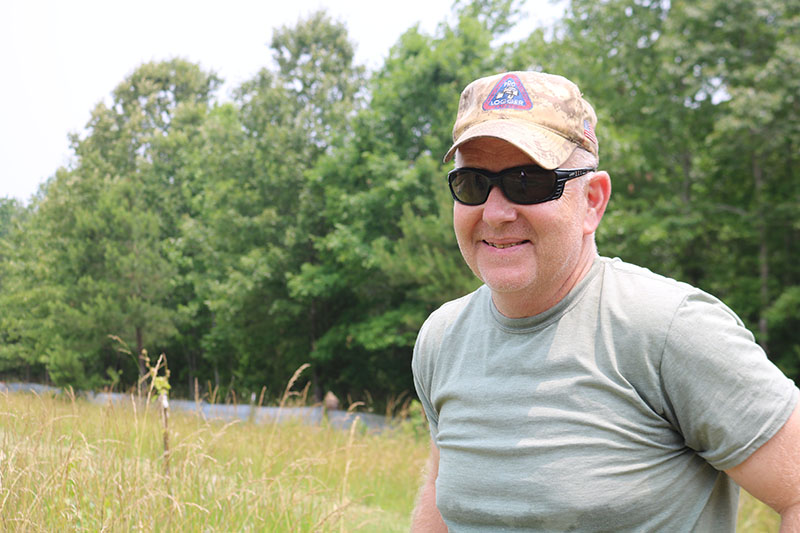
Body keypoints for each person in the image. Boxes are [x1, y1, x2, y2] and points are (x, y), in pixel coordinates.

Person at [410, 71, 800, 532]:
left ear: (592, 201)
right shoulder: (443, 337)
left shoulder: (670, 329)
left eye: (528, 182)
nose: (495, 213)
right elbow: (440, 496)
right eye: (473, 184)